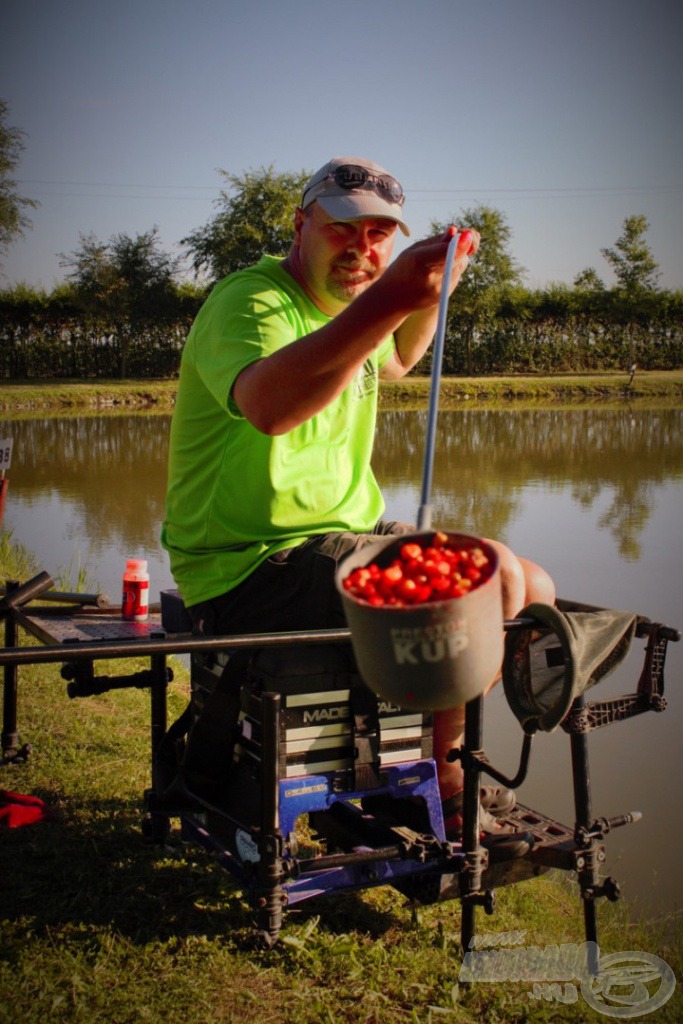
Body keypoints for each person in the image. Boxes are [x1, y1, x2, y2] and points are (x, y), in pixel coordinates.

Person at [162, 156, 556, 836]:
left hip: (339, 535)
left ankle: (437, 757)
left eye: (380, 236)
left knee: (530, 582)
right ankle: (441, 777)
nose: (362, 249)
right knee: (487, 584)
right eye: (343, 229)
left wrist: (435, 291)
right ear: (301, 226)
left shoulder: (349, 310)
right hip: (253, 561)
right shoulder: (252, 302)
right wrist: (391, 296)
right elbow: (270, 408)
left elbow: (395, 360)